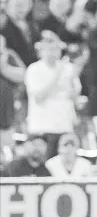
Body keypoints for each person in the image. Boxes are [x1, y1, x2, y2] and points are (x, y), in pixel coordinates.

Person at [25, 30, 82, 159]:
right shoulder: (34, 69)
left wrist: (73, 79)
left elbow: (75, 96)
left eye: (56, 48)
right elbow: (39, 97)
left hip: (64, 126)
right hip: (42, 128)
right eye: (49, 48)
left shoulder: (68, 68)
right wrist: (57, 75)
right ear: (41, 49)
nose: (53, 52)